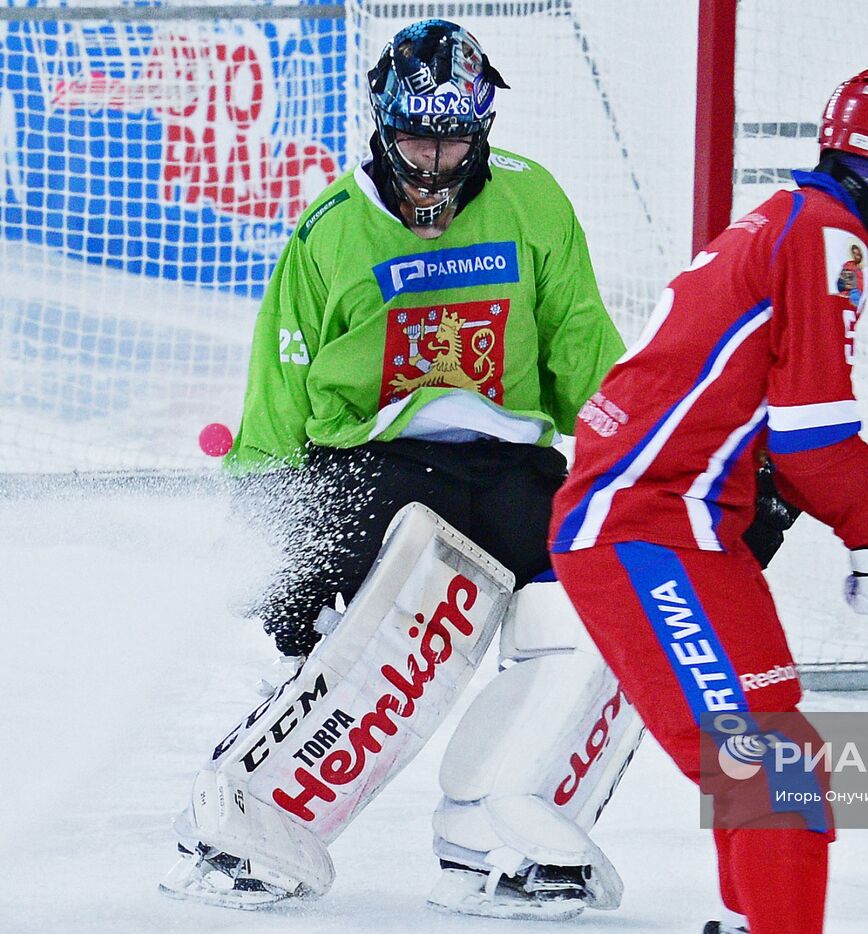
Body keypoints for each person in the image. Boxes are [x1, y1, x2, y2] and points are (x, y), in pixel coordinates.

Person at [159, 20, 644, 920]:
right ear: (382, 128)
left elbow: (585, 354)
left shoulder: (535, 203)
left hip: (508, 466)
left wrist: (657, 454)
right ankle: (248, 818)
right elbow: (280, 389)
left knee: (596, 604)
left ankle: (500, 824)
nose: (433, 161)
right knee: (386, 636)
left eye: (452, 138)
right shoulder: (331, 232)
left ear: (482, 129)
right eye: (415, 138)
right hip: (376, 467)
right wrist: (276, 526)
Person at [551, 67, 868, 934]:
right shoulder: (828, 236)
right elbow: (813, 444)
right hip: (641, 523)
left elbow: (787, 433)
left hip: (690, 528)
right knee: (766, 763)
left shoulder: (789, 220)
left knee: (775, 746)